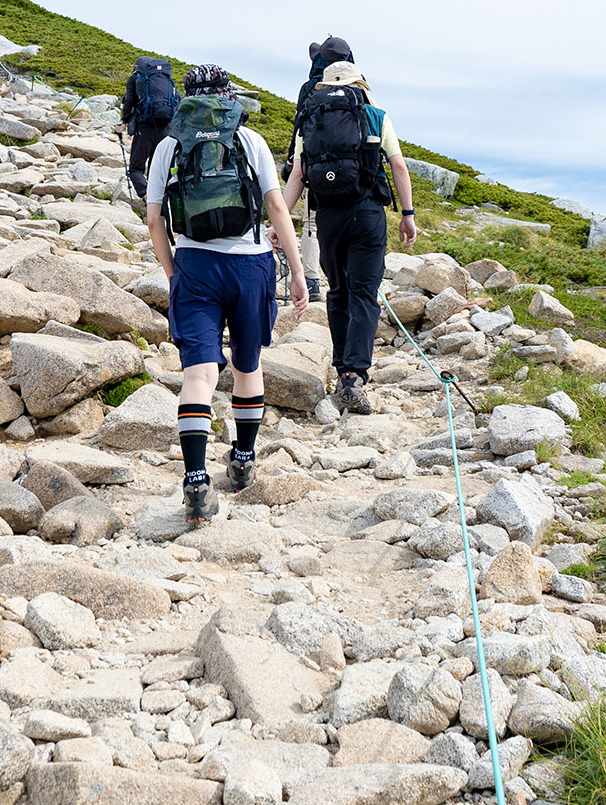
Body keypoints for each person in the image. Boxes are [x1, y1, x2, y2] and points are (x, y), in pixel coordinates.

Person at [147, 64, 309, 524]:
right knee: (247, 363)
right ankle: (242, 459)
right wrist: (297, 272)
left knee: (198, 375)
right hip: (251, 265)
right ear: (226, 96)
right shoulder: (249, 139)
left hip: (195, 266)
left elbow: (155, 220)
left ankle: (196, 480)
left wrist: (174, 271)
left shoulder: (168, 145)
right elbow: (277, 206)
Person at [282, 59, 417, 415]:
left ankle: (342, 368)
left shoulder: (310, 120)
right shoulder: (376, 116)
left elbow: (298, 174)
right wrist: (408, 214)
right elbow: (399, 166)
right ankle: (355, 377)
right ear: (360, 84)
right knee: (364, 295)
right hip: (368, 213)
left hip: (327, 216)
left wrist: (277, 222)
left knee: (338, 291)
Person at [286, 36, 354, 302]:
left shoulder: (309, 87)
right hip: (351, 170)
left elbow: (299, 127)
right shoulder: (356, 84)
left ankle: (312, 281)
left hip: (314, 165)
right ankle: (348, 277)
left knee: (312, 224)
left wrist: (293, 161)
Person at [119, 55, 179, 197]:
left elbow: (129, 101)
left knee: (135, 169)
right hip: (166, 128)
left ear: (136, 67)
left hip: (145, 127)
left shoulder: (135, 78)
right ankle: (161, 201)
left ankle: (147, 196)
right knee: (157, 168)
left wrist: (124, 122)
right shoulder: (165, 80)